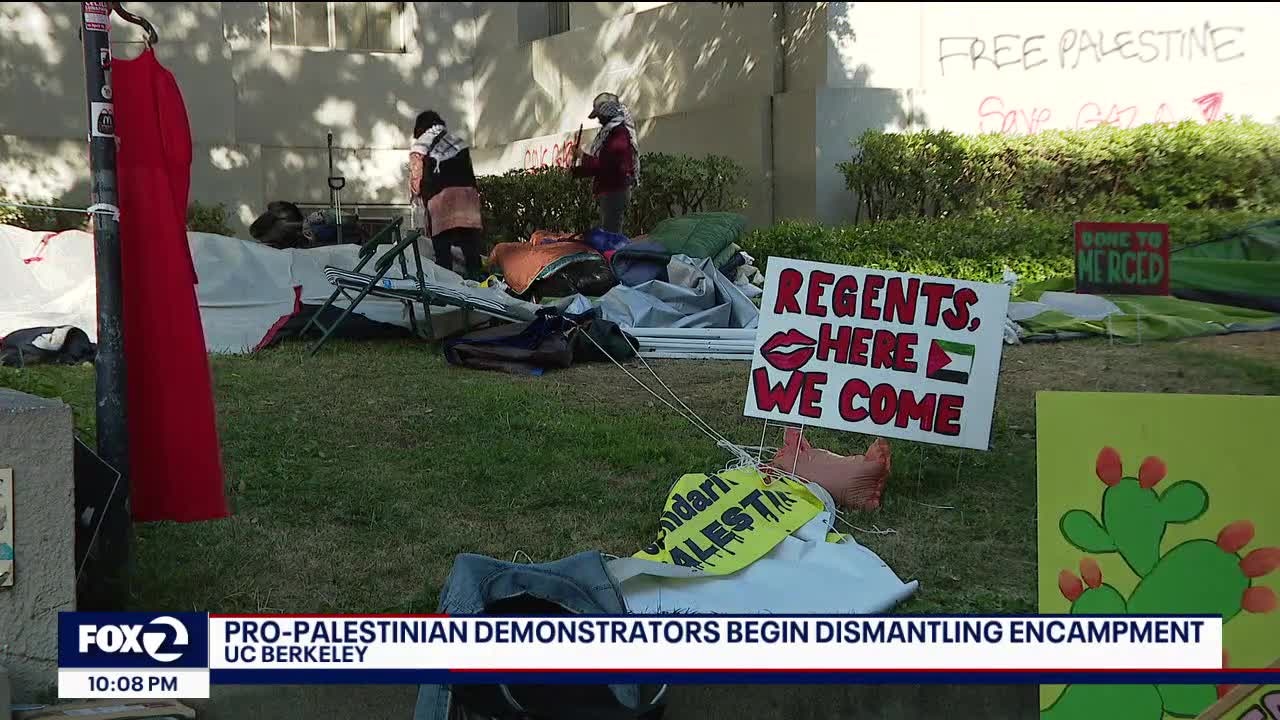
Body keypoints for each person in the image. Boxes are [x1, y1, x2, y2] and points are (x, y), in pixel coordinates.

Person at [408, 110, 484, 280]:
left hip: (441, 203)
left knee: (442, 251)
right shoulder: (458, 142)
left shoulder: (420, 146)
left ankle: (447, 289)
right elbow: (470, 174)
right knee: (471, 249)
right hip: (467, 201)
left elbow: (417, 180)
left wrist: (416, 194)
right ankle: (480, 290)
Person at [573, 92, 640, 234]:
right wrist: (578, 172)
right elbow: (603, 167)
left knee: (611, 236)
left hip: (615, 192)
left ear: (607, 113)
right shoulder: (609, 133)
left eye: (599, 116)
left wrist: (582, 156)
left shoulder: (619, 134)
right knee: (608, 233)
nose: (598, 120)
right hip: (609, 191)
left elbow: (606, 166)